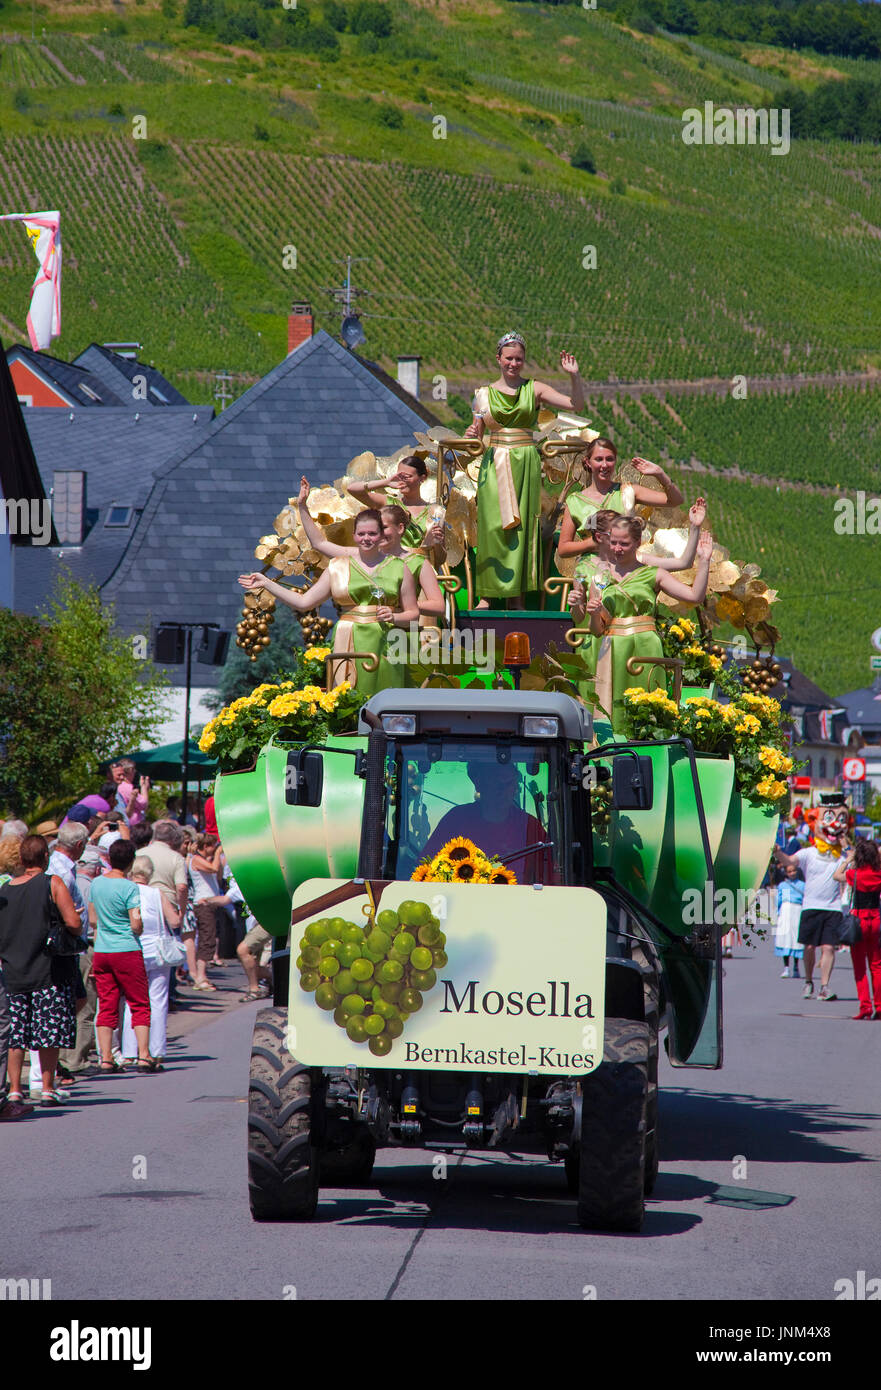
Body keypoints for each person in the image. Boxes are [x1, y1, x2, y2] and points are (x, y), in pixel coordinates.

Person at [239, 508, 419, 696]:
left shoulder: (400, 567)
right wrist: (267, 583)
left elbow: (413, 614)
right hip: (349, 638)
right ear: (354, 535)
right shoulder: (338, 566)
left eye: (372, 533)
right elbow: (304, 602)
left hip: (387, 642)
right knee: (348, 698)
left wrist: (394, 617)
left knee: (387, 698)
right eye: (362, 533)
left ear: (381, 535)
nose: (367, 538)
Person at [466, 334, 585, 607]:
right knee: (492, 526)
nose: (514, 363)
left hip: (525, 462)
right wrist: (473, 432)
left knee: (522, 527)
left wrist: (574, 376)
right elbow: (475, 437)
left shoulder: (535, 388)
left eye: (519, 359)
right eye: (509, 358)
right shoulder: (482, 395)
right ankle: (487, 594)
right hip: (494, 462)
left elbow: (575, 405)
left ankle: (516, 598)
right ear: (499, 359)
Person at [572, 517, 713, 734]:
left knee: (644, 713)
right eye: (614, 542)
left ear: (637, 543)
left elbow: (694, 596)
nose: (617, 548)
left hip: (644, 649)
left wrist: (704, 561)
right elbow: (596, 630)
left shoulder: (652, 573)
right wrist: (592, 613)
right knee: (612, 713)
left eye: (624, 543)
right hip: (611, 652)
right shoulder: (599, 578)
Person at [0, 835, 82, 1106]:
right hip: (48, 969)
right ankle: (47, 1088)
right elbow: (74, 923)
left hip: (14, 969)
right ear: (45, 857)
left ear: (21, 860)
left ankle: (14, 1089)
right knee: (48, 1031)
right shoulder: (52, 883)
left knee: (16, 1034)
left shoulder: (5, 890)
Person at [297, 477, 445, 621]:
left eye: (384, 527)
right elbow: (319, 543)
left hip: (401, 634)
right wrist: (302, 506)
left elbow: (438, 606)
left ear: (400, 528)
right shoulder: (361, 556)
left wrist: (400, 605)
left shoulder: (417, 561)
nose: (379, 532)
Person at [90, 838, 161, 1073]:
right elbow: (135, 923)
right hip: (127, 949)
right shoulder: (130, 887)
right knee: (139, 1002)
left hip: (102, 950)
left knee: (107, 1004)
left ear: (109, 859)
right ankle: (143, 1054)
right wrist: (137, 927)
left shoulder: (96, 884)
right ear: (131, 862)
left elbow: (92, 919)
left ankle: (106, 1057)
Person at [422, 759, 555, 883]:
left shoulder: (530, 826)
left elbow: (551, 878)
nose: (502, 791)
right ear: (479, 785)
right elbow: (424, 868)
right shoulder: (455, 820)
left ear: (515, 786)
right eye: (496, 784)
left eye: (507, 784)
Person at [774, 798, 849, 1002]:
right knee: (808, 947)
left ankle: (824, 986)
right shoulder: (809, 853)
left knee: (828, 948)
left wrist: (846, 845)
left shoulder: (842, 858)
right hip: (811, 906)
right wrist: (778, 852)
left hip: (833, 908)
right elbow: (790, 862)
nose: (834, 825)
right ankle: (809, 981)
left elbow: (855, 863)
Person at [120, 857, 179, 1062]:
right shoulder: (156, 893)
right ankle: (157, 1050)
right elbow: (174, 920)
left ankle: (129, 1051)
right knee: (158, 1001)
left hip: (134, 950)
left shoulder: (126, 891)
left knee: (132, 1001)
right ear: (150, 874)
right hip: (157, 952)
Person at [345, 453, 446, 558]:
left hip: (422, 569)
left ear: (422, 478)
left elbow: (441, 559)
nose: (401, 481)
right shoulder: (388, 503)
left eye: (406, 477)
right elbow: (352, 489)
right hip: (393, 567)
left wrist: (437, 543)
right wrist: (386, 482)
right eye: (399, 476)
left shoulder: (435, 512)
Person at [834, 838, 881, 1020]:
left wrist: (847, 860)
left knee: (860, 967)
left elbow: (836, 875)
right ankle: (879, 1005)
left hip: (859, 919)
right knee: (876, 966)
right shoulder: (878, 874)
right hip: (875, 918)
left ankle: (865, 1006)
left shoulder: (854, 874)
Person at [188, 833, 223, 991]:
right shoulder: (196, 859)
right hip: (203, 904)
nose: (214, 849)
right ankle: (200, 977)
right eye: (213, 846)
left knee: (209, 938)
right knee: (206, 939)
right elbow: (213, 869)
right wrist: (217, 854)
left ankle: (202, 975)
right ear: (205, 846)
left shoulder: (203, 859)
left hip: (210, 903)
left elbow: (218, 874)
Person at [774, 863, 804, 978]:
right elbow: (779, 900)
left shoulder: (802, 885)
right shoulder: (783, 885)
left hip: (798, 911)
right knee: (785, 939)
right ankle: (786, 968)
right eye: (789, 871)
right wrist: (778, 914)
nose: (792, 873)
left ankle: (796, 967)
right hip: (786, 911)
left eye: (794, 871)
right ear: (786, 873)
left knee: (796, 939)